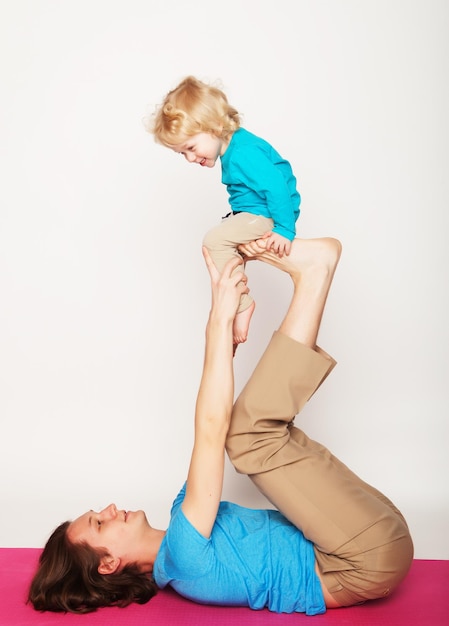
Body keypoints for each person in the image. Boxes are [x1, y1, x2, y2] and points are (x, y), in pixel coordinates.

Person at [28, 237, 413, 615]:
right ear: (108, 563)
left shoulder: (184, 514)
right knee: (248, 437)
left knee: (254, 429)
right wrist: (218, 317)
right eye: (99, 522)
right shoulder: (183, 560)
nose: (110, 508)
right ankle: (314, 275)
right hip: (363, 559)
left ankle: (314, 275)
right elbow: (210, 432)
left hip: (364, 530)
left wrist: (225, 339)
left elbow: (214, 426)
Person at [148, 75, 301, 348]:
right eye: (183, 154)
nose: (191, 158)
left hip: (267, 214)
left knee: (213, 240)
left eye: (191, 148)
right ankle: (232, 304)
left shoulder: (243, 152)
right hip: (256, 212)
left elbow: (277, 187)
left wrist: (284, 229)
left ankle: (242, 305)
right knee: (223, 244)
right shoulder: (234, 149)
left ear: (215, 126)